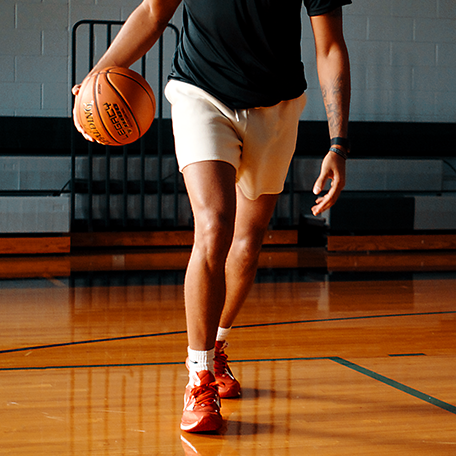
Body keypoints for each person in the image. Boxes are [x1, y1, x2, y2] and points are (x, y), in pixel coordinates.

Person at [73, 0, 351, 434]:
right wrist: (99, 73)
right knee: (215, 224)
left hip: (275, 106)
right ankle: (199, 377)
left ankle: (217, 347)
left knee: (248, 240)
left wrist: (338, 144)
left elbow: (330, 44)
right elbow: (152, 11)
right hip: (199, 92)